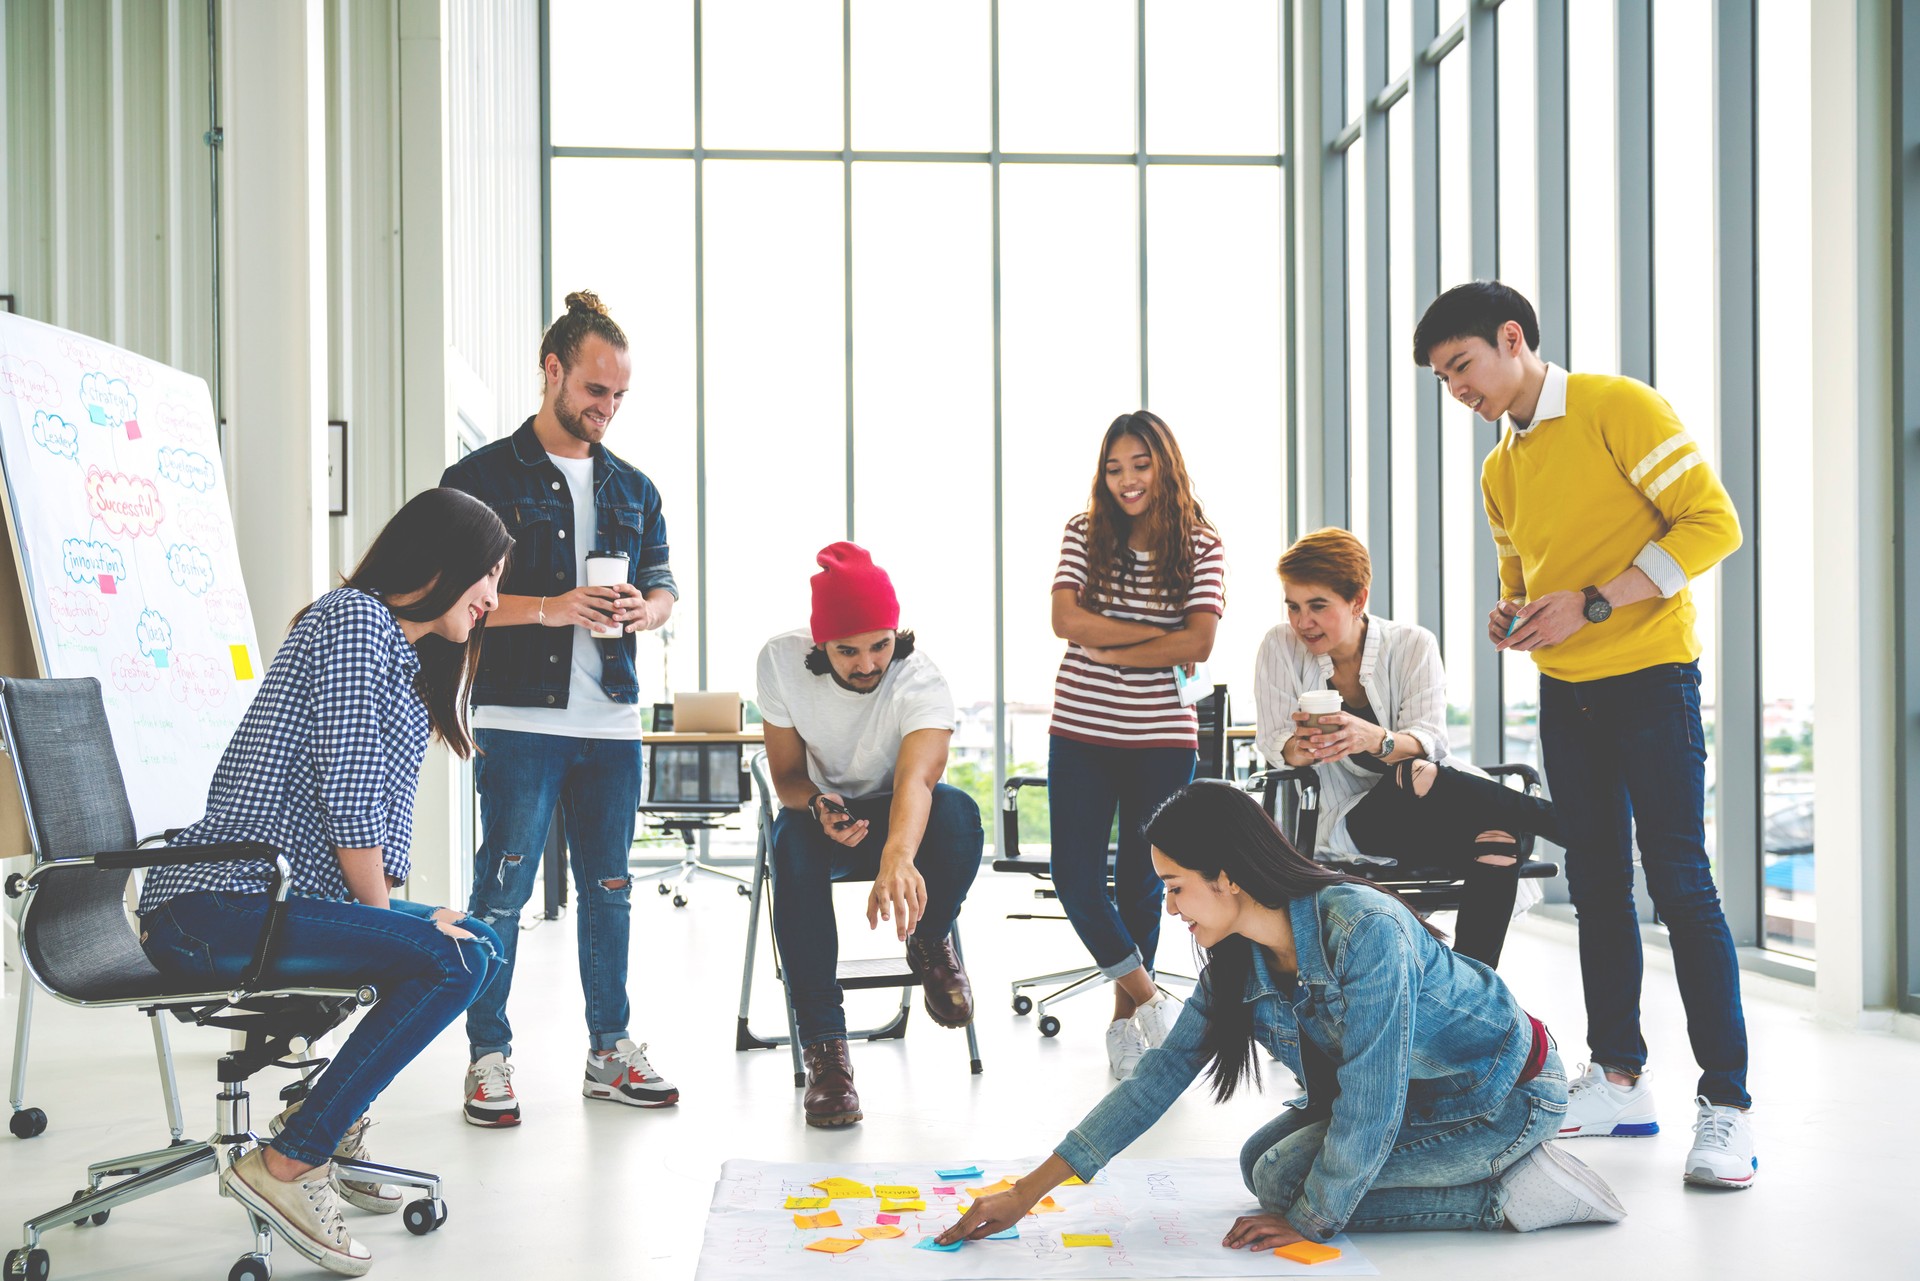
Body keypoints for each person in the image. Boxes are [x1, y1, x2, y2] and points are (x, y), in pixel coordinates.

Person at [939, 782, 1625, 1251]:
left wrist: (1313, 1222)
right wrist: (1025, 1193)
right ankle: (1459, 1175)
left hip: (1501, 1097)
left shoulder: (1365, 930)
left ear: (1228, 876)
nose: (1170, 908)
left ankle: (1508, 1193)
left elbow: (1372, 1102)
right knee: (1257, 1164)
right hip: (1427, 1098)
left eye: (1176, 886)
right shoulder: (1240, 955)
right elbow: (1159, 1075)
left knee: (1285, 1185)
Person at [1414, 279, 1756, 1189]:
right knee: (1598, 887)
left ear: (1513, 338)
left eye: (1463, 367)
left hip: (1651, 684)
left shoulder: (1616, 405)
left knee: (1681, 884)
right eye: (1444, 380)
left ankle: (1727, 1105)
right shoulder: (1501, 469)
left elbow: (1713, 524)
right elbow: (1528, 577)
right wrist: (1513, 615)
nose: (1459, 391)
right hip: (1569, 698)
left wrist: (1597, 600)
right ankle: (1618, 1077)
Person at [136, 487, 511, 1276]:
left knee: (476, 942)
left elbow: (382, 812)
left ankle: (324, 1116)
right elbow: (348, 794)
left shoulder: (402, 655)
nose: (494, 598)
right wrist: (392, 932)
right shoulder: (353, 621)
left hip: (272, 905)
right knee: (448, 958)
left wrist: (405, 916)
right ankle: (290, 1160)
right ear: (445, 563)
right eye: (490, 574)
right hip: (213, 908)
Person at [440, 289, 680, 1128]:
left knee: (610, 890)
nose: (606, 409)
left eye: (618, 396)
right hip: (519, 721)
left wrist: (640, 612)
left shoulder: (635, 487)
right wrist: (554, 605)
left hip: (611, 724)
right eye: (594, 390)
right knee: (499, 894)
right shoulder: (478, 480)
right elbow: (446, 598)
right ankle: (488, 1054)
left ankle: (609, 1049)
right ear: (553, 371)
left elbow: (663, 589)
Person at [1253, 527, 1562, 967]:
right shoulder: (1279, 647)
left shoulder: (1412, 644)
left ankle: (1472, 985)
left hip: (1429, 815)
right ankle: (1562, 824)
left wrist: (1375, 739)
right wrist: (1300, 749)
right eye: (1294, 606)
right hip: (1345, 819)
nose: (1303, 622)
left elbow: (1431, 738)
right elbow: (1273, 742)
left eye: (1317, 606)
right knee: (1413, 772)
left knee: (1496, 840)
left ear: (1358, 600)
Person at [757, 542, 981, 1128]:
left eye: (880, 645)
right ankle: (827, 1050)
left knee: (959, 814)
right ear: (819, 644)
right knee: (791, 847)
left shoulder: (919, 677)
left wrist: (899, 854)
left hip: (899, 810)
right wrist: (819, 805)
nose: (866, 665)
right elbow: (786, 777)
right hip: (822, 812)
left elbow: (919, 779)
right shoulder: (780, 662)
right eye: (847, 651)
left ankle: (930, 941)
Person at [1047, 410, 1224, 1081]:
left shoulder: (1202, 546)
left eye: (1140, 464)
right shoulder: (1083, 534)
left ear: (1165, 465)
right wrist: (1153, 642)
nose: (1127, 480)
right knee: (1075, 876)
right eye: (1114, 467)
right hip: (1081, 729)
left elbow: (1199, 641)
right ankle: (1151, 1003)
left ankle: (1124, 1028)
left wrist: (1109, 646)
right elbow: (1065, 620)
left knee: (1141, 886)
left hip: (1160, 736)